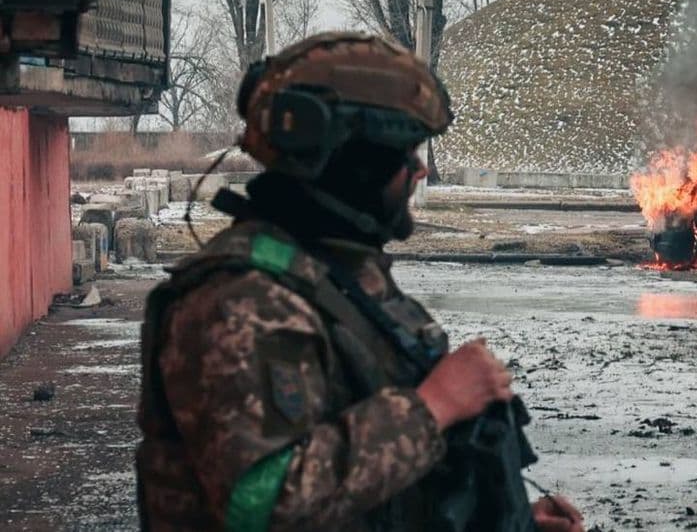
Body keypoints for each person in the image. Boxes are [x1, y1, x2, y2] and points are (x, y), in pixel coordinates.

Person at [135, 32, 585, 532]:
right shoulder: (240, 299)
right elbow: (258, 506)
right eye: (406, 153)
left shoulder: (334, 277)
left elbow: (376, 495)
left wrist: (507, 521)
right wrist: (433, 406)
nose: (418, 172)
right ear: (353, 162)